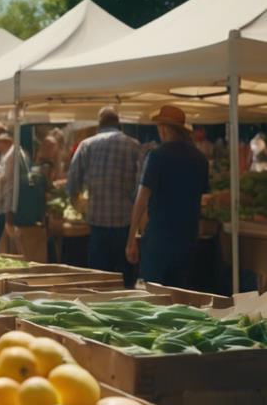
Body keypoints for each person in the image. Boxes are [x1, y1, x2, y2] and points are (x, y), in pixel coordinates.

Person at [126, 106, 209, 288]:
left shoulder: (157, 156)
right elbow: (202, 199)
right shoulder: (200, 159)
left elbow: (141, 198)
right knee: (180, 297)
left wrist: (131, 238)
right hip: (187, 240)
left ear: (163, 129)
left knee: (154, 297)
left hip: (159, 239)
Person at [66, 106, 141, 287]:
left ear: (99, 124)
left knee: (99, 281)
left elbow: (72, 183)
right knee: (125, 283)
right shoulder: (133, 145)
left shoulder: (87, 145)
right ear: (118, 124)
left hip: (97, 224)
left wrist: (80, 207)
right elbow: (140, 187)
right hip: (125, 224)